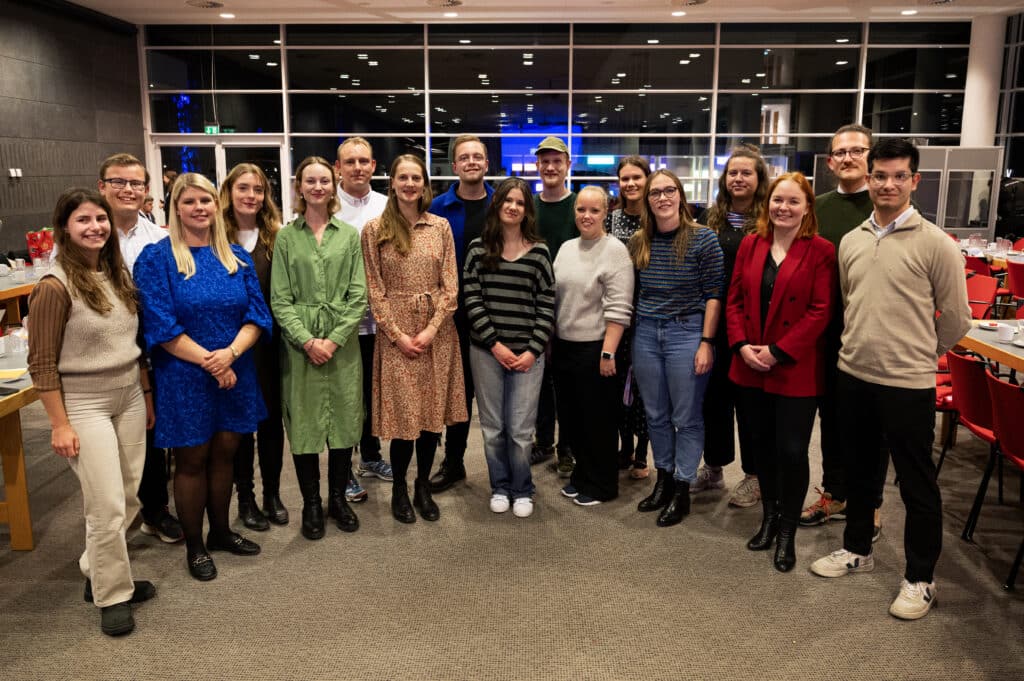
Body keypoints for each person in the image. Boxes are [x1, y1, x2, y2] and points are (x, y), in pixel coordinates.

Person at [810, 139, 971, 620]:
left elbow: (957, 319)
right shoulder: (852, 241)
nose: (888, 184)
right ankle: (857, 548)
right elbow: (850, 301)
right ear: (869, 178)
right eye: (880, 176)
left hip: (907, 382)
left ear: (914, 181)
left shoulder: (937, 244)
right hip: (854, 374)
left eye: (899, 176)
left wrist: (923, 353)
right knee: (860, 472)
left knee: (916, 483)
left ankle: (921, 578)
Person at [28, 188, 155, 636]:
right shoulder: (54, 286)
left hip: (129, 396)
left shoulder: (116, 273)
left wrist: (145, 395)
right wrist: (59, 424)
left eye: (100, 219)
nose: (95, 227)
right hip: (84, 404)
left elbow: (133, 343)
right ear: (64, 228)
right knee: (106, 505)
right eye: (83, 220)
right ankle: (113, 594)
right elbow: (41, 364)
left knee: (129, 497)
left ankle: (97, 567)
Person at [135, 173, 272, 581]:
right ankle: (195, 545)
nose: (199, 208)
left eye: (206, 200)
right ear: (175, 208)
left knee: (226, 453)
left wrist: (229, 355)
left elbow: (257, 315)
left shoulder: (236, 257)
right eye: (190, 201)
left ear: (216, 205)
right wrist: (212, 362)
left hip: (235, 369)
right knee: (192, 460)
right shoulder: (157, 259)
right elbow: (160, 325)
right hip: (184, 374)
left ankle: (222, 532)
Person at [727, 172, 836, 572]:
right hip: (750, 366)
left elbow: (821, 310)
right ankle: (769, 518)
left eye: (793, 201)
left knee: (791, 451)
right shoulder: (751, 244)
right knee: (761, 450)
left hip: (794, 369)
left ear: (807, 208)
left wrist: (778, 352)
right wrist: (741, 346)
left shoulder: (821, 250)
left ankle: (787, 529)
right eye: (778, 200)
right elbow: (734, 299)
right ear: (767, 203)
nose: (783, 208)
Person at [361, 154, 467, 523]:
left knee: (430, 417)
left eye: (416, 178)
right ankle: (399, 489)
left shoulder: (439, 227)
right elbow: (374, 290)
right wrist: (397, 335)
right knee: (404, 420)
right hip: (396, 335)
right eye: (403, 178)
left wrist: (432, 329)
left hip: (438, 332)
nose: (410, 184)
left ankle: (423, 485)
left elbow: (451, 286)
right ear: (392, 183)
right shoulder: (375, 229)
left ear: (424, 184)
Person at [271, 156, 367, 540]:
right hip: (299, 347)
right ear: (299, 187)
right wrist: (308, 340)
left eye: (324, 180)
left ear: (334, 184)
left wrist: (334, 339)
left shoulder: (349, 235)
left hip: (342, 346)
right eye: (310, 181)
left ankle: (338, 499)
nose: (317, 187)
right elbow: (280, 300)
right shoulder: (285, 237)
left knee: (344, 421)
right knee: (304, 424)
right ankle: (311, 503)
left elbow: (358, 296)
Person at [802, 124, 888, 542]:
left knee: (870, 425)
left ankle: (869, 504)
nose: (849, 158)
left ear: (871, 157)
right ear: (830, 161)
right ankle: (835, 493)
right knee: (832, 420)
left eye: (858, 150)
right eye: (841, 152)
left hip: (871, 336)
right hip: (824, 335)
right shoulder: (816, 209)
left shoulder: (886, 206)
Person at [629, 170, 724, 527]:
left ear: (680, 196)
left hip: (687, 333)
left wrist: (706, 343)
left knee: (686, 417)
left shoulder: (703, 238)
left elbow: (714, 294)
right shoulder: (640, 241)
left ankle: (682, 488)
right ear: (647, 200)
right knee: (655, 414)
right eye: (655, 193)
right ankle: (664, 480)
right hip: (646, 333)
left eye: (669, 190)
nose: (663, 198)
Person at [96, 153, 182, 545]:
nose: (128, 190)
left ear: (147, 190)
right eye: (119, 182)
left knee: (149, 428)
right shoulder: (88, 233)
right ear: (102, 187)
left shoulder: (160, 239)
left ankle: (155, 510)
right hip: (100, 347)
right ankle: (108, 518)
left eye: (136, 183)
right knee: (102, 438)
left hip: (149, 344)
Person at [464, 177, 555, 519]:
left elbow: (547, 304)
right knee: (493, 429)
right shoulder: (478, 249)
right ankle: (500, 487)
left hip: (529, 355)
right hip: (486, 353)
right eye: (508, 201)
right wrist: (495, 344)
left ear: (527, 210)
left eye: (520, 202)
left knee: (520, 430)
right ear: (497, 205)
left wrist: (533, 350)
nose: (513, 207)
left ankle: (522, 489)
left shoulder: (540, 251)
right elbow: (472, 300)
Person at [695, 145, 768, 507]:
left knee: (749, 404)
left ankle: (755, 475)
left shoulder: (770, 219)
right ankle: (714, 467)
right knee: (714, 400)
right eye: (733, 173)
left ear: (759, 178)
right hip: (713, 322)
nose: (738, 179)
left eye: (746, 173)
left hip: (753, 325)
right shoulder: (710, 218)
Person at [554, 186, 634, 506]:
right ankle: (581, 476)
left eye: (594, 210)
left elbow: (619, 307)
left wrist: (608, 352)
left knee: (598, 421)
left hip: (597, 349)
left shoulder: (614, 251)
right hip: (564, 347)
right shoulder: (566, 248)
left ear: (605, 213)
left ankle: (602, 485)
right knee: (573, 419)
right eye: (581, 210)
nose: (586, 216)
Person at [219, 163, 288, 531]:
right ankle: (245, 498)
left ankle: (272, 494)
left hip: (270, 345)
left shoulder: (277, 236)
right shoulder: (215, 237)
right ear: (229, 192)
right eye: (243, 188)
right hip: (231, 345)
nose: (251, 196)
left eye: (258, 190)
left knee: (271, 423)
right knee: (241, 426)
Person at [428, 135, 495, 492]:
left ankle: (504, 467)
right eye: (464, 157)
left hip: (495, 315)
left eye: (477, 156)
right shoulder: (437, 207)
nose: (471, 162)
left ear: (486, 163)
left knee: (496, 397)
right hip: (449, 319)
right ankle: (454, 462)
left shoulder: (502, 204)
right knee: (457, 394)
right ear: (454, 166)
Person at [334, 137, 393, 504]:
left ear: (373, 166)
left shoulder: (387, 207)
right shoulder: (327, 206)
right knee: (345, 397)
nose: (357, 167)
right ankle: (343, 469)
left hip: (380, 322)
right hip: (342, 323)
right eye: (350, 161)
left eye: (363, 161)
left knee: (373, 393)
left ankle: (370, 456)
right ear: (338, 167)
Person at [531, 136, 578, 476]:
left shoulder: (578, 206)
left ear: (567, 166)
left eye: (556, 161)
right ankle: (544, 440)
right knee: (540, 380)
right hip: (534, 305)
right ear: (538, 166)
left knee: (566, 382)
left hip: (572, 305)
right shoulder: (528, 207)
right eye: (545, 161)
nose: (550, 167)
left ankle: (568, 448)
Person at [606, 156, 651, 480]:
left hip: (648, 312)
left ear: (647, 180)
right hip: (618, 312)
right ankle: (625, 447)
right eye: (625, 178)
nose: (631, 183)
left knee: (645, 387)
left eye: (637, 177)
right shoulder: (611, 219)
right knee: (619, 382)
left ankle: (643, 453)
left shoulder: (656, 217)